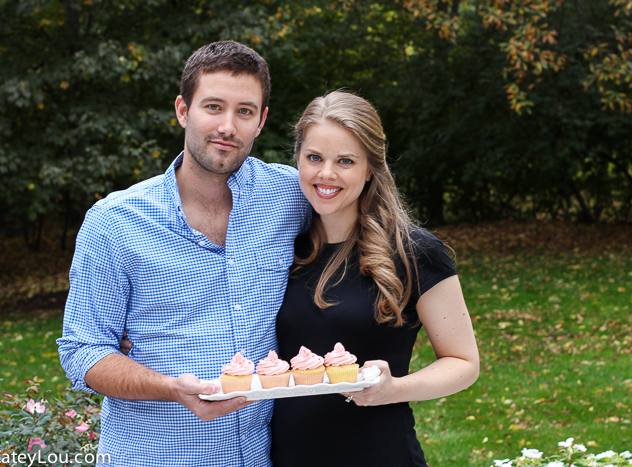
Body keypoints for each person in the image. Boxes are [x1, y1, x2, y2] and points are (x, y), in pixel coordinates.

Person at [57, 41, 310, 467]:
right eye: (213, 107)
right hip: (153, 456)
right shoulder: (115, 222)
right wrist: (170, 386)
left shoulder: (289, 197)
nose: (228, 126)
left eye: (244, 111)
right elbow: (82, 351)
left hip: (260, 454)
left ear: (261, 121)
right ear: (182, 110)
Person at [270, 91, 480, 466]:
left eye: (345, 161)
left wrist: (395, 388)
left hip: (381, 454)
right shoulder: (280, 247)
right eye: (314, 157)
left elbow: (464, 362)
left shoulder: (415, 251)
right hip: (287, 456)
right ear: (297, 159)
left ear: (370, 169)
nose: (326, 174)